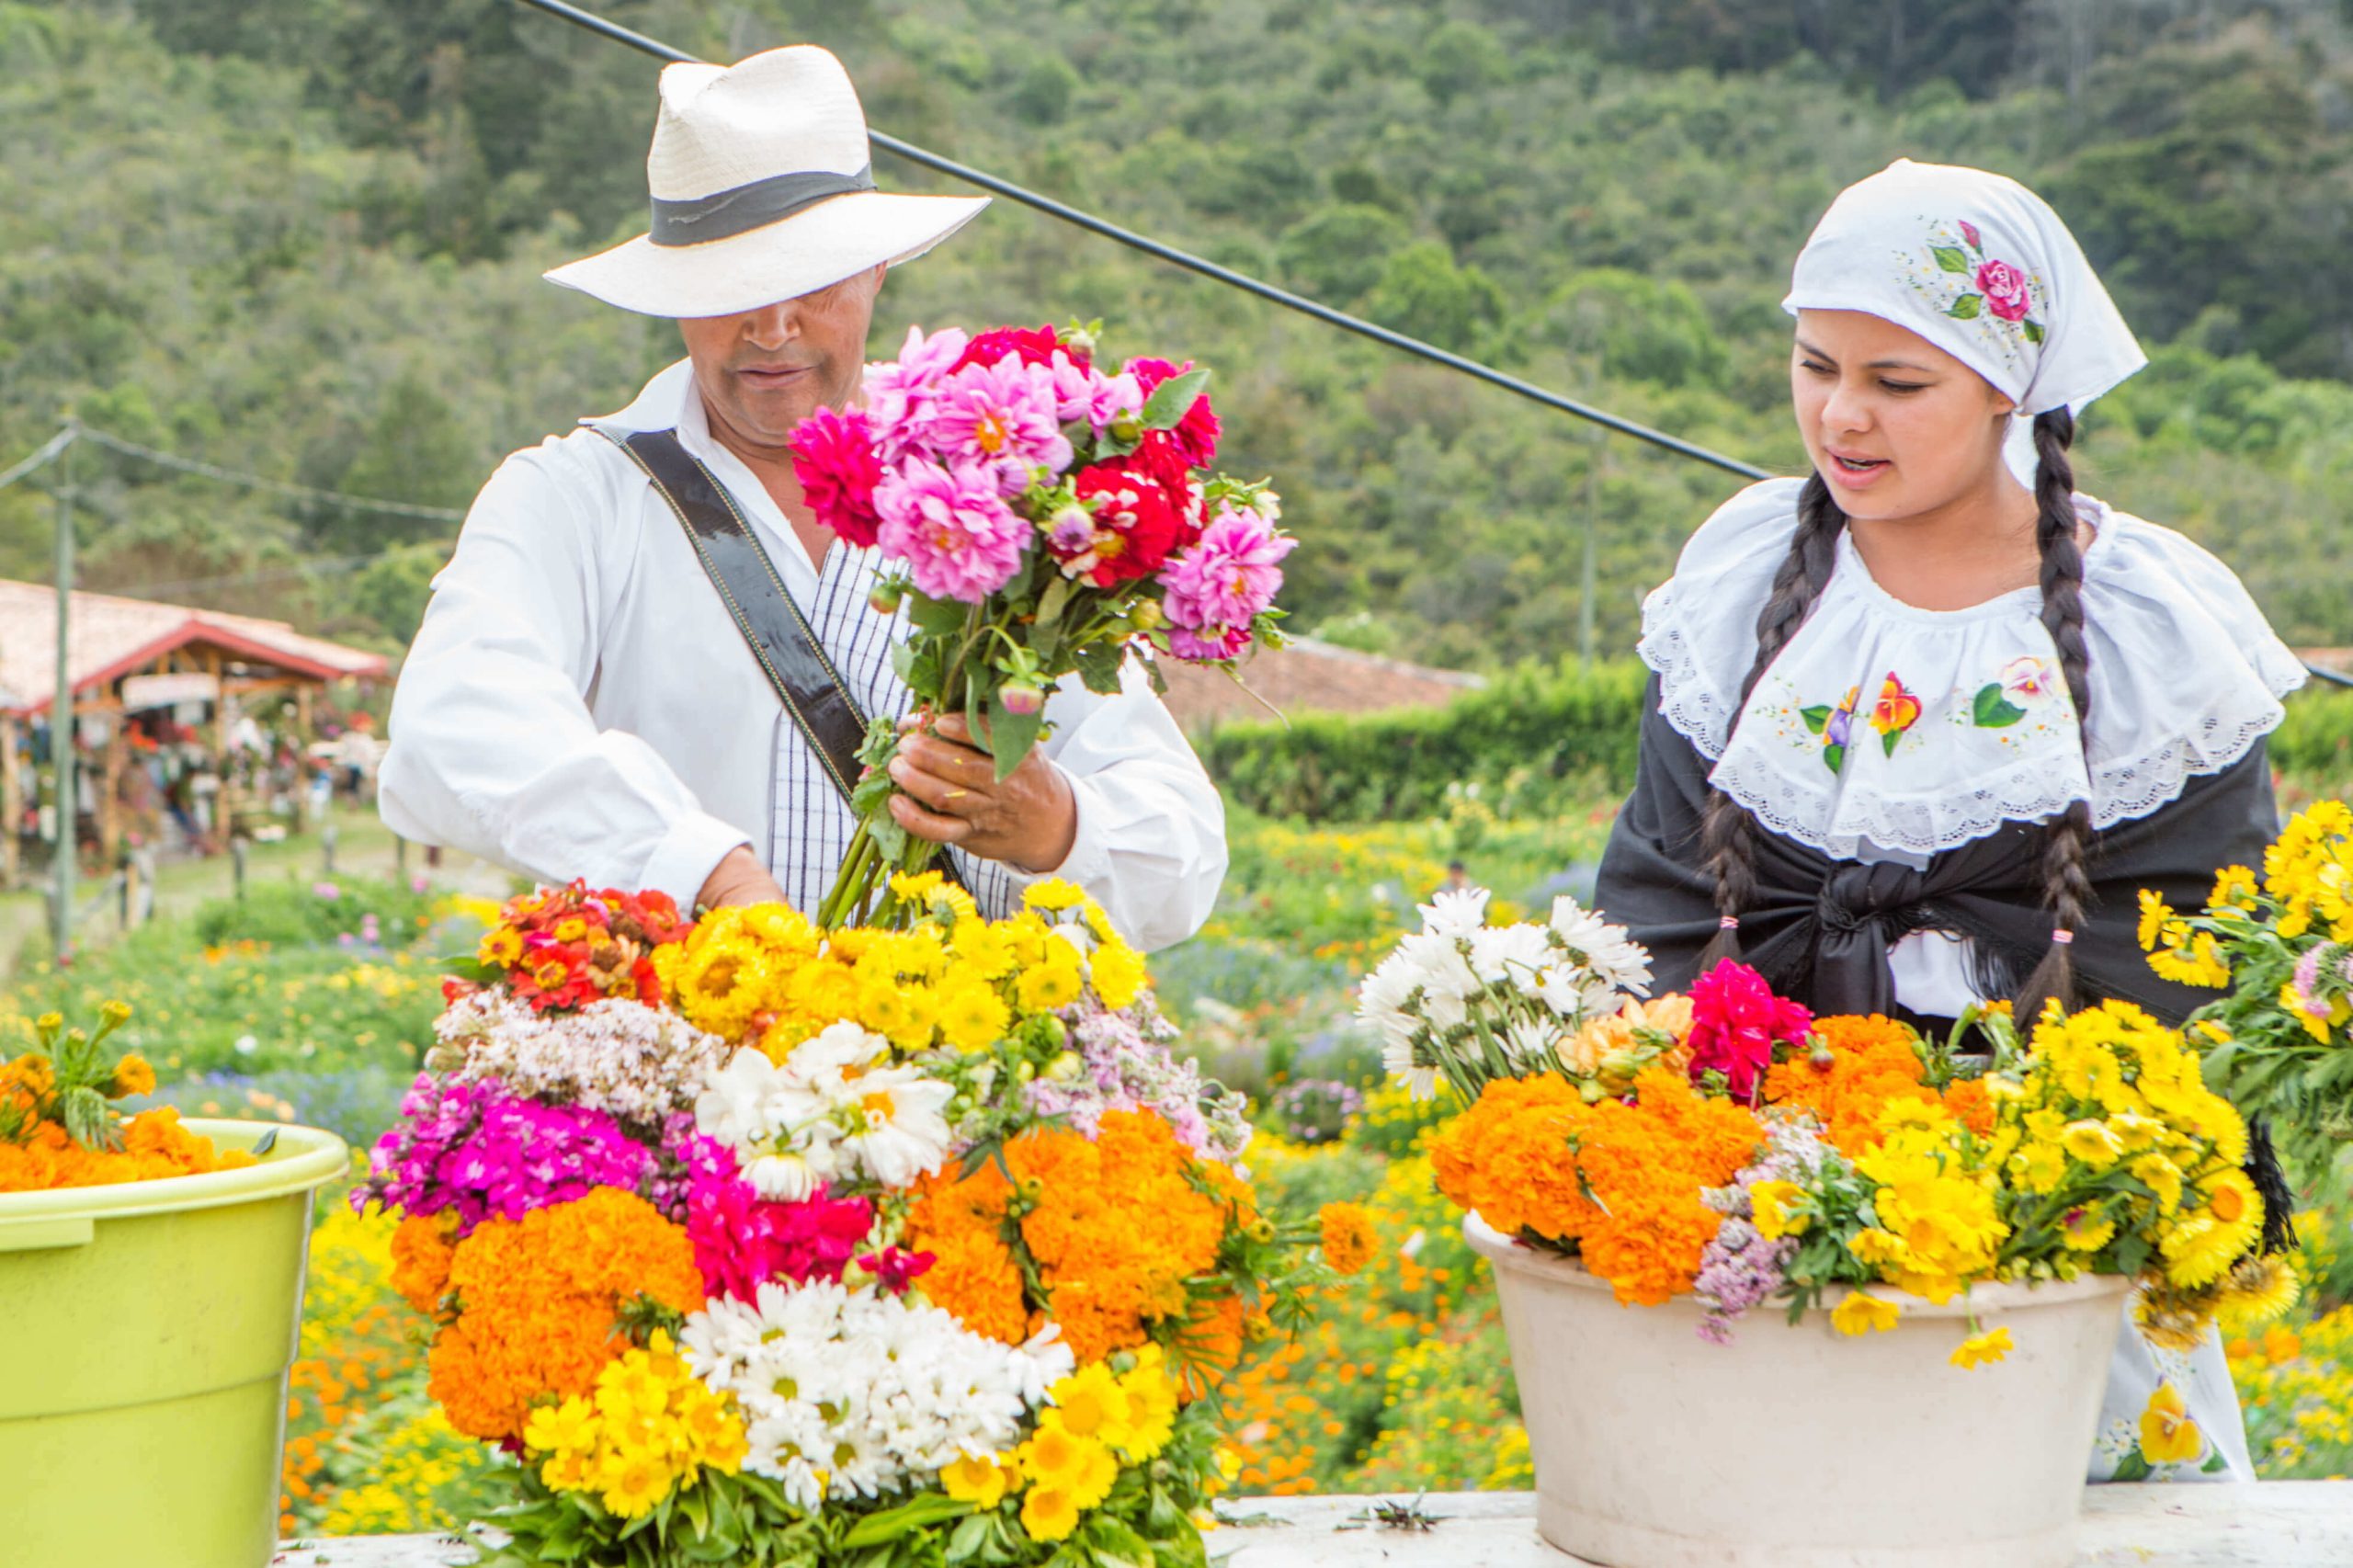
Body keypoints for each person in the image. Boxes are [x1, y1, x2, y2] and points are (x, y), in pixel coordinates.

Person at [1594, 160, 2307, 1482]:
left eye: (1897, 383)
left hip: (2052, 1253)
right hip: (1760, 1228)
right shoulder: (1746, 578)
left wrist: (2011, 1159)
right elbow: (1661, 903)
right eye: (1816, 366)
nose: (1840, 417)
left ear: (2008, 387)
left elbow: (2190, 970)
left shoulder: (2150, 635)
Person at [380, 46, 1224, 950]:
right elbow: (453, 725)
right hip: (685, 1068)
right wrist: (698, 870)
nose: (772, 328)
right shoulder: (575, 499)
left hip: (960, 1070)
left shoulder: (1013, 501)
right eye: (728, 288)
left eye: (809, 282)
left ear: (877, 270)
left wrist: (1057, 825)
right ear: (673, 294)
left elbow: (1181, 850)